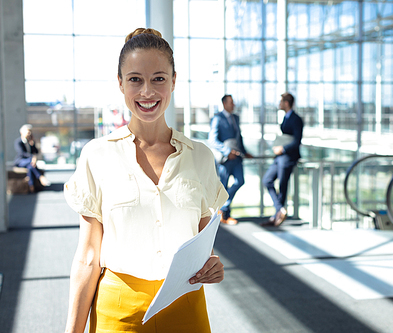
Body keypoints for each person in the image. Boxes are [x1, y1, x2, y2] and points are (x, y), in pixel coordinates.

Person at [63, 28, 229, 333]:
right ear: (121, 83)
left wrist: (213, 266)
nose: (147, 92)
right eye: (136, 79)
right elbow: (87, 257)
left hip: (186, 306)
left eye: (159, 79)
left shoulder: (200, 157)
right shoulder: (96, 156)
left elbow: (204, 247)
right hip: (117, 309)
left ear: (174, 81)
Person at [208, 94, 253, 225]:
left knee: (240, 181)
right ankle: (225, 215)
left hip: (237, 157)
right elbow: (212, 140)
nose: (233, 105)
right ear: (224, 104)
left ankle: (222, 209)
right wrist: (227, 152)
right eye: (231, 103)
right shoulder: (217, 118)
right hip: (225, 159)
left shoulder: (236, 118)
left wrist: (244, 152)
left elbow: (239, 137)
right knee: (223, 185)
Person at [261, 92, 303, 227]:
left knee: (282, 185)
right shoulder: (286, 117)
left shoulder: (296, 119)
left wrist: (282, 148)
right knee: (267, 180)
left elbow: (297, 141)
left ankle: (277, 215)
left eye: (280, 102)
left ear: (286, 103)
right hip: (280, 157)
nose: (279, 104)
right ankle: (280, 209)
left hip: (288, 157)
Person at [14, 124, 51, 192]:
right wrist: (32, 158)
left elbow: (36, 152)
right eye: (28, 132)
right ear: (22, 132)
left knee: (30, 167)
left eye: (30, 132)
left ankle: (31, 186)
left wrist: (33, 144)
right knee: (30, 163)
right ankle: (40, 177)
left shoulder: (30, 142)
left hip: (29, 162)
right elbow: (22, 153)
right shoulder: (18, 142)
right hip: (20, 161)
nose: (29, 134)